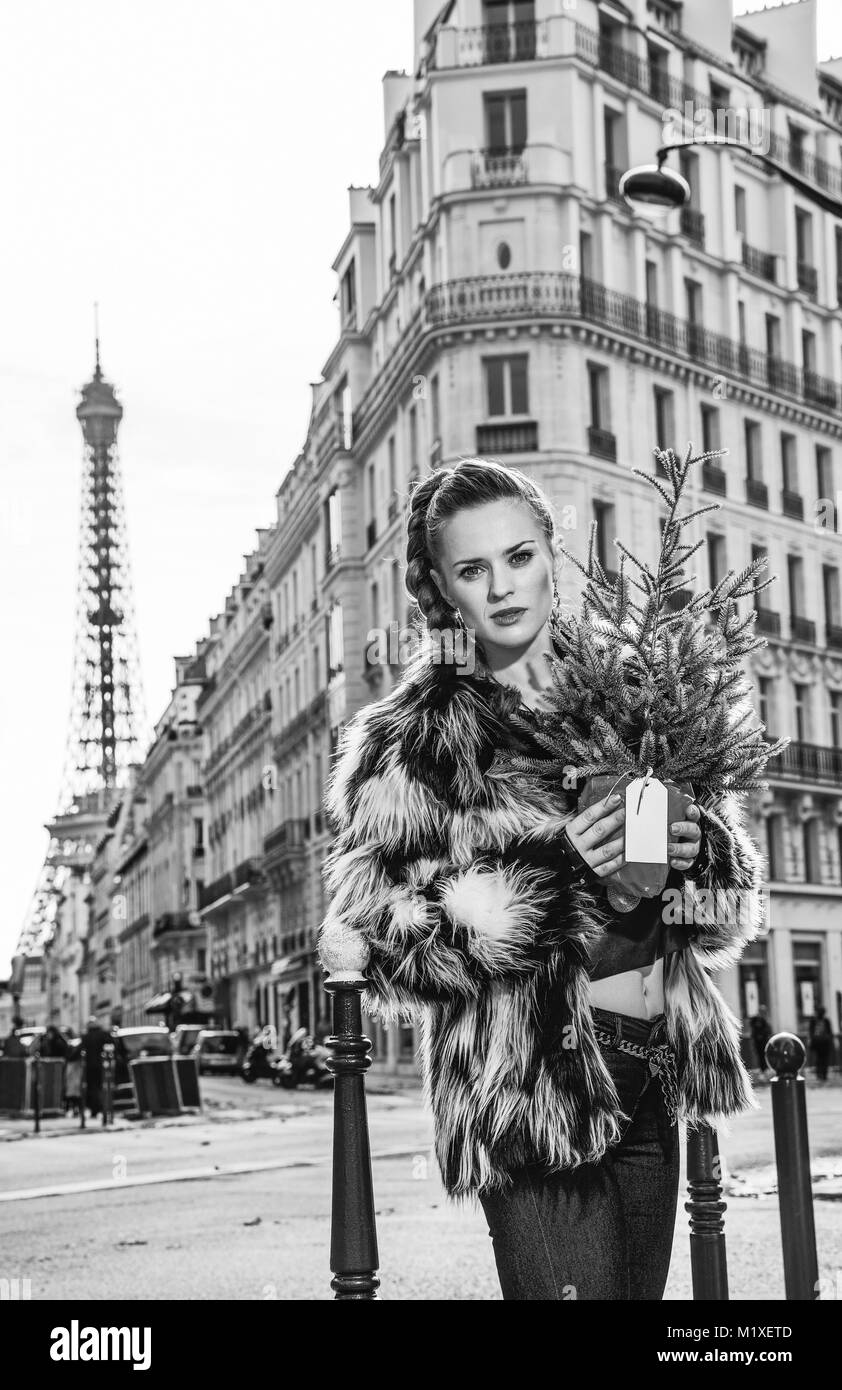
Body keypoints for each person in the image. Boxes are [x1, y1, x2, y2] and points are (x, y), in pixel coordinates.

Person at [318, 458, 762, 1301]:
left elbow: (726, 914)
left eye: (520, 557)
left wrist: (697, 848)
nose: (504, 587)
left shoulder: (638, 698)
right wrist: (554, 874)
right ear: (443, 588)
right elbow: (380, 938)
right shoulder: (412, 740)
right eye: (473, 569)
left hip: (655, 1074)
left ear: (552, 553)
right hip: (531, 1091)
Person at [81, 1016, 110, 1118]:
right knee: (100, 1086)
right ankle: (101, 1107)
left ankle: (94, 1109)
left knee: (91, 1087)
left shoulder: (86, 1036)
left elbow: (80, 1049)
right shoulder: (102, 1034)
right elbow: (110, 1044)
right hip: (100, 1064)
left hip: (89, 1066)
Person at [809, 1006, 833, 1082]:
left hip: (823, 1043)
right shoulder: (816, 1021)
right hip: (819, 1043)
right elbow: (811, 1032)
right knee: (821, 1059)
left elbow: (829, 1032)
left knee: (822, 1059)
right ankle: (821, 1074)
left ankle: (822, 1075)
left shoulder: (825, 1021)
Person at [750, 1006, 773, 1077]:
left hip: (764, 1042)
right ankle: (762, 1069)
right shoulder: (755, 1019)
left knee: (765, 1055)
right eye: (761, 1012)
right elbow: (752, 1025)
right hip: (757, 1042)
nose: (762, 1013)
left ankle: (765, 1069)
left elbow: (768, 1030)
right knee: (759, 1056)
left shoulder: (765, 1021)